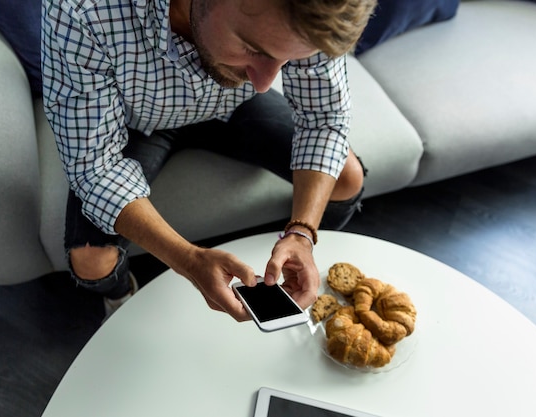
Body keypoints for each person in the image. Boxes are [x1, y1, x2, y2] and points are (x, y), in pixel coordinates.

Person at [41, 0, 376, 321]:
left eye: (287, 60)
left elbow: (324, 120)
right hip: (135, 123)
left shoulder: (310, 13)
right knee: (91, 260)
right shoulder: (81, 8)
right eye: (252, 48)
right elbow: (96, 167)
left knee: (348, 177)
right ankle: (120, 297)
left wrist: (302, 232)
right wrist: (189, 259)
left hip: (232, 107)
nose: (265, 84)